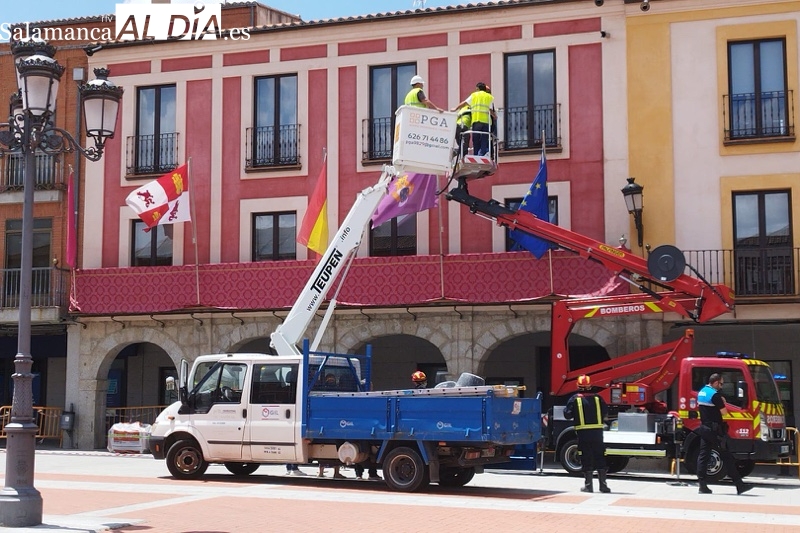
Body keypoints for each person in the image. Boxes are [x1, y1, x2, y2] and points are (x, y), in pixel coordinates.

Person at [696, 373, 753, 495]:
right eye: (721, 383)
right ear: (715, 382)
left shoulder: (702, 392)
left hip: (704, 428)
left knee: (703, 456)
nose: (721, 386)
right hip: (715, 431)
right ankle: (739, 485)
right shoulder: (715, 395)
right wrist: (722, 401)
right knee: (727, 456)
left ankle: (702, 485)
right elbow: (725, 413)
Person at [563, 374, 610, 493]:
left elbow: (567, 415)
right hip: (598, 433)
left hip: (583, 433)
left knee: (586, 457)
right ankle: (603, 486)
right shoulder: (598, 398)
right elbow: (605, 411)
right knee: (600, 456)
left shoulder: (575, 399)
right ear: (590, 385)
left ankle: (588, 486)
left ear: (578, 385)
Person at [452, 82, 494, 156]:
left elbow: (465, 103)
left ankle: (475, 154)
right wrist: (494, 116)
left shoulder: (474, 95)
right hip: (486, 122)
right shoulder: (489, 97)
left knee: (475, 139)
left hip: (476, 120)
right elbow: (490, 109)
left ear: (477, 88)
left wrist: (455, 108)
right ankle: (481, 154)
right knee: (484, 138)